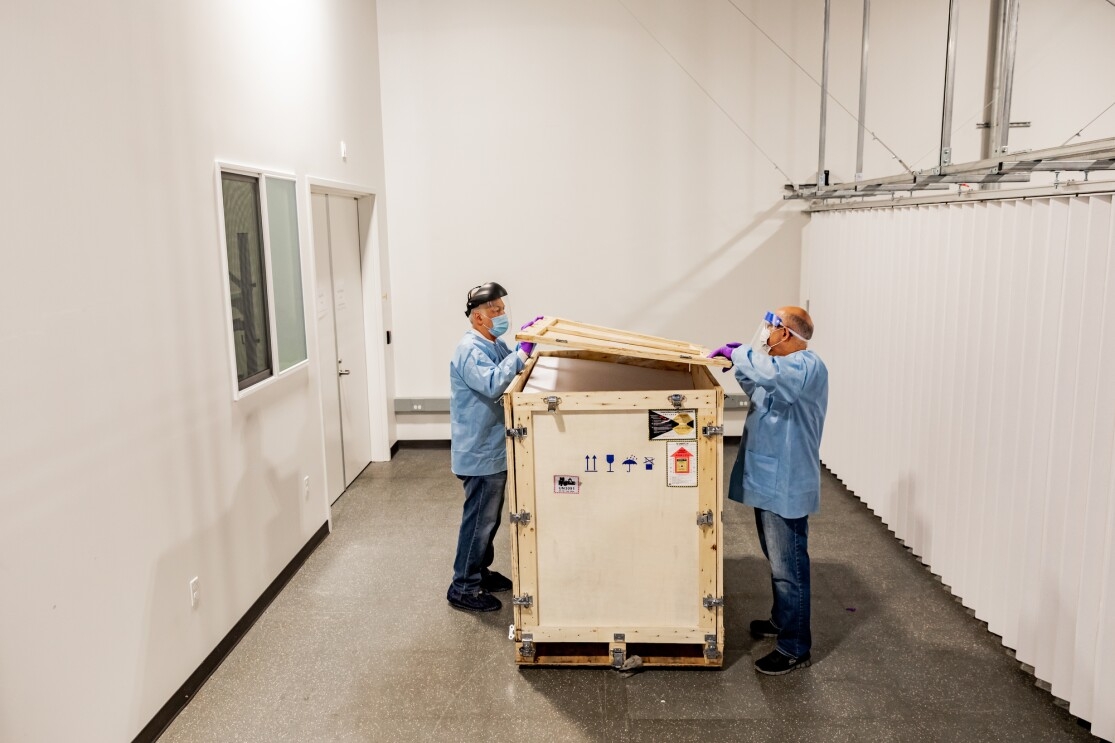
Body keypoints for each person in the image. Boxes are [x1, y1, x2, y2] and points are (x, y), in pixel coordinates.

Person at [710, 306, 828, 675]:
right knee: (778, 560)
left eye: (771, 329)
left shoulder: (807, 366)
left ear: (787, 335)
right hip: (769, 479)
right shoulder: (778, 370)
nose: (765, 335)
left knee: (789, 567)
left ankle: (795, 646)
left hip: (787, 483)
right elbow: (760, 385)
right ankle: (782, 620)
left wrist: (743, 355)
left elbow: (779, 381)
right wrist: (741, 364)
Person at [447, 282, 540, 612]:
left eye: (503, 309)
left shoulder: (493, 343)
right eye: (495, 311)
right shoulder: (470, 349)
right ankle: (463, 586)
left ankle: (480, 573)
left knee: (488, 520)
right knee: (478, 522)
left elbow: (513, 368)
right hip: (479, 451)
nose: (502, 315)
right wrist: (524, 351)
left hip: (493, 449)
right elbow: (493, 383)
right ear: (477, 317)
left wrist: (530, 346)